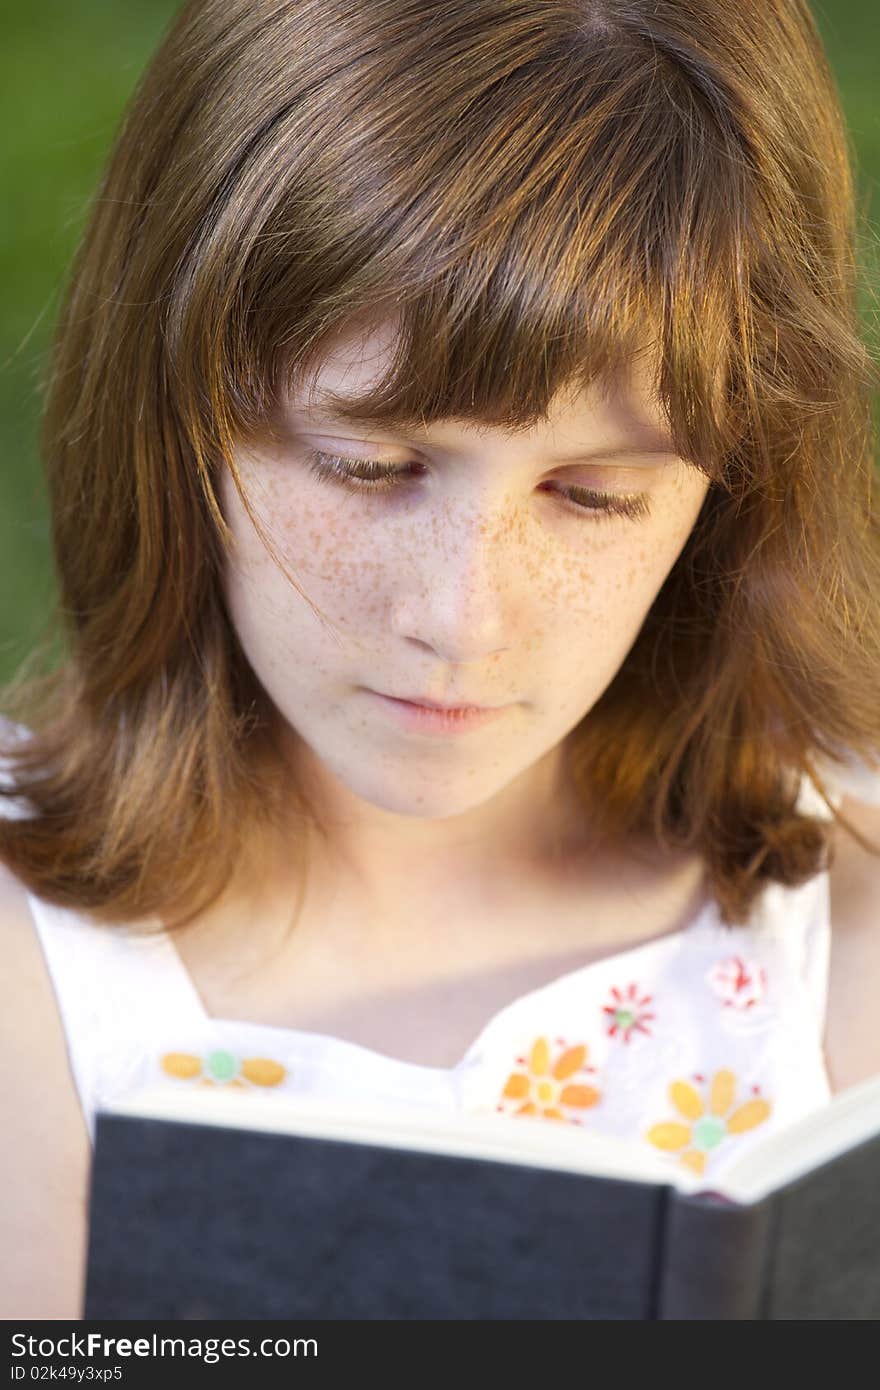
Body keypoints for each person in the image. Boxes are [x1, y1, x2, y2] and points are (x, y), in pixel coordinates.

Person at [1, 0, 880, 1321]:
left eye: (595, 494)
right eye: (371, 467)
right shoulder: (39, 969)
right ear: (173, 419)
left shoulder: (847, 918)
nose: (463, 617)